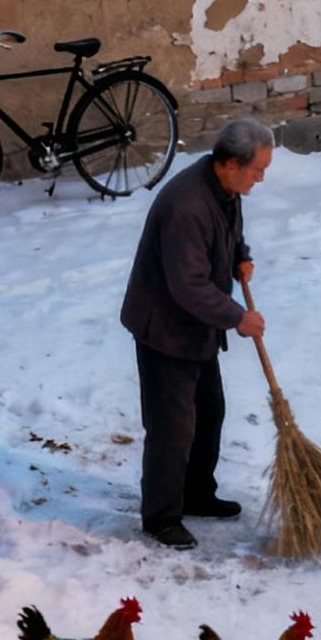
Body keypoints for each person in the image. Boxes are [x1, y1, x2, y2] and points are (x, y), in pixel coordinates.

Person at [120, 116, 274, 550]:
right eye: (257, 170)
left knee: (209, 411)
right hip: (165, 328)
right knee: (172, 425)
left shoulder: (225, 190)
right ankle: (161, 516)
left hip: (198, 326)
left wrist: (240, 255)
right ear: (230, 163)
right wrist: (237, 316)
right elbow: (186, 284)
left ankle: (196, 493)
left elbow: (230, 231)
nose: (261, 178)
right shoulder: (186, 205)